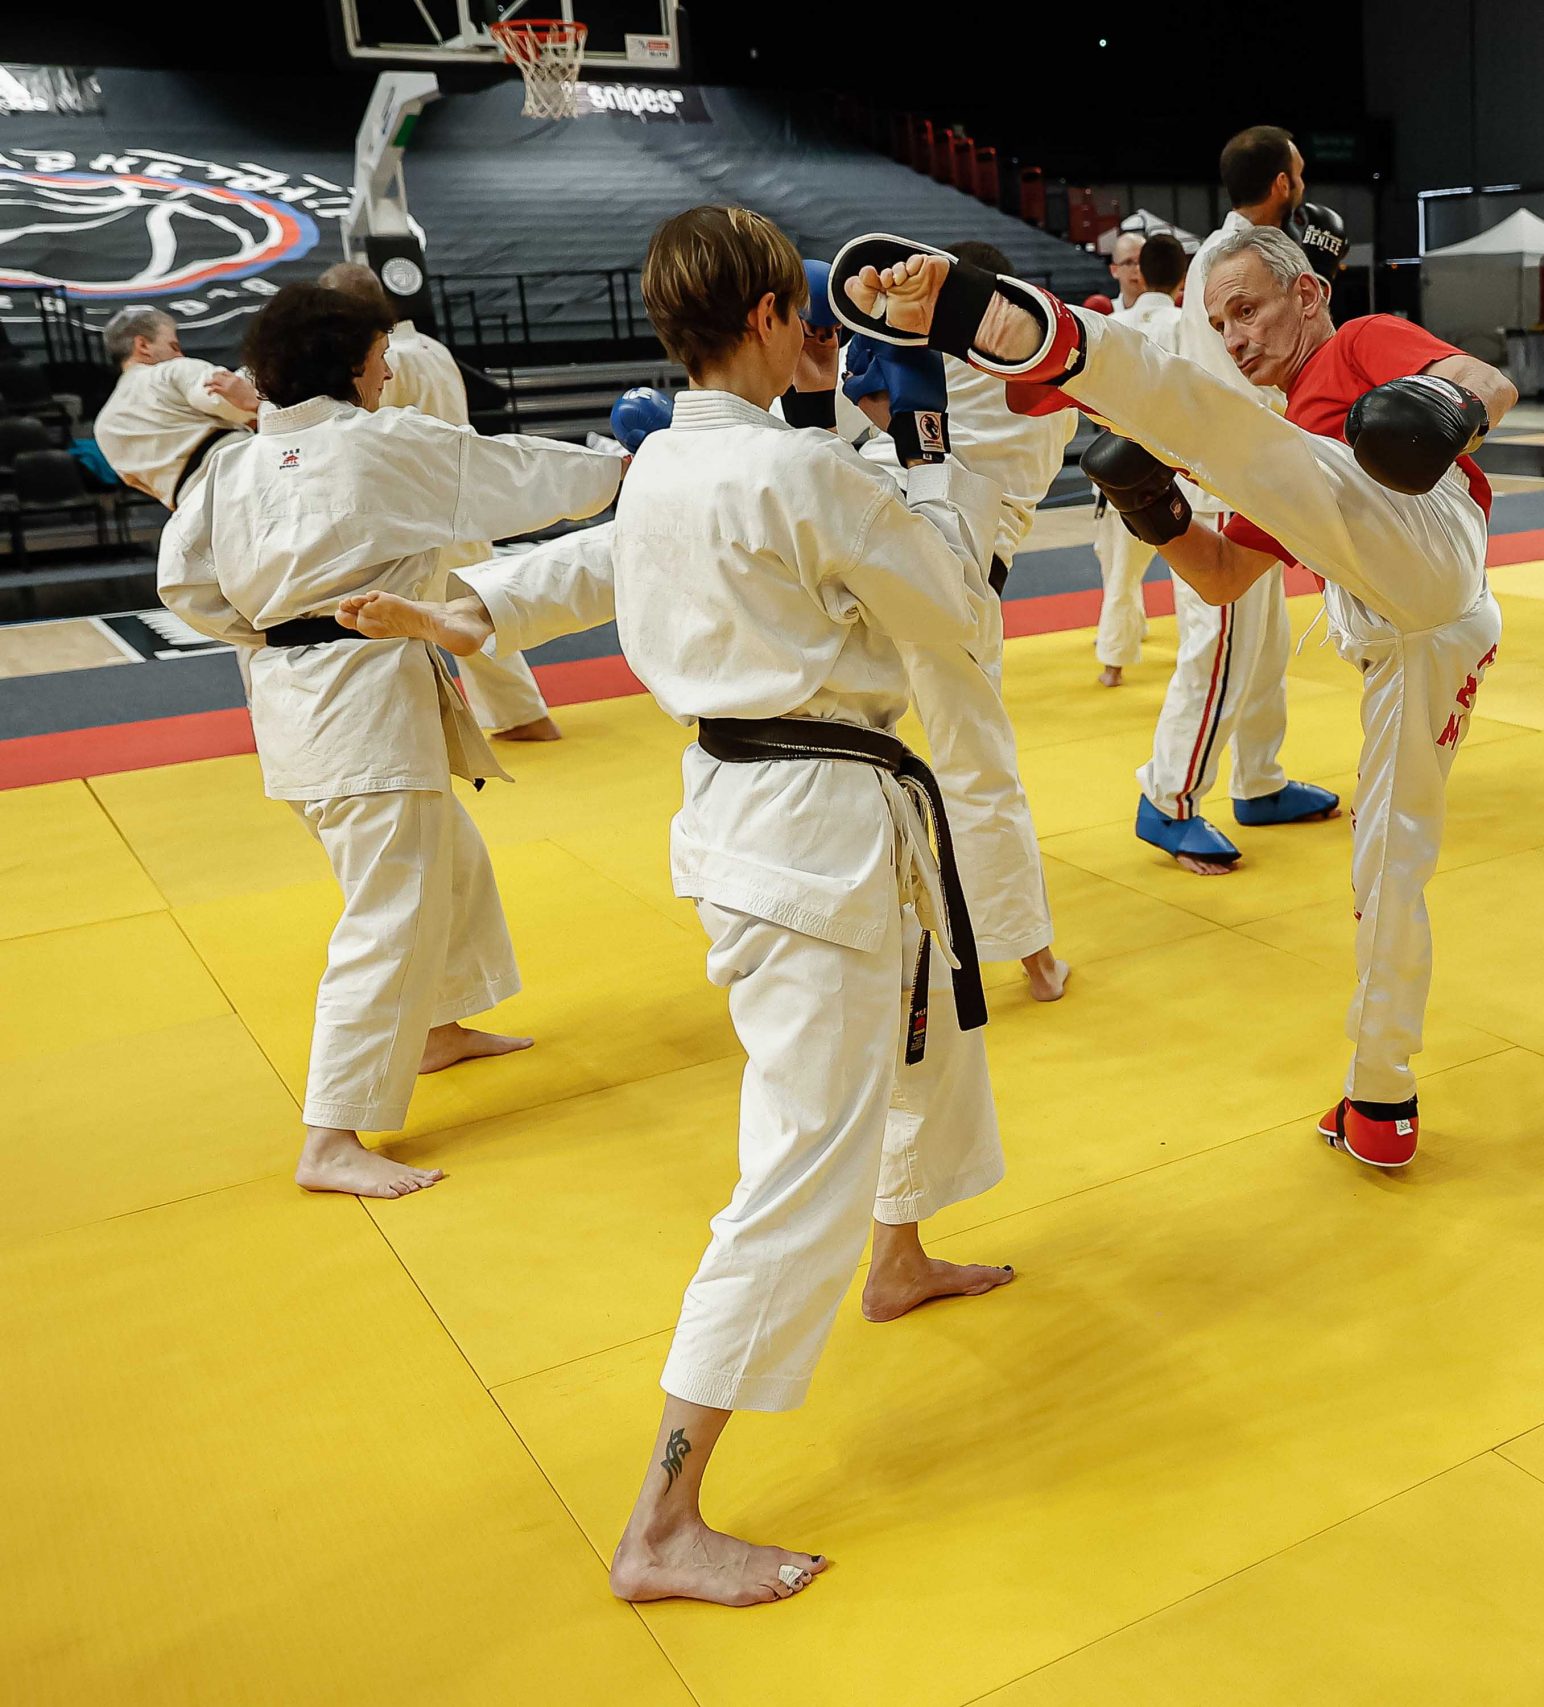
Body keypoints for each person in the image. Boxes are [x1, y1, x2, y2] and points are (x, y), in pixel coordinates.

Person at [343, 205, 1017, 1605]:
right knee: (799, 1159)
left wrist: (468, 609)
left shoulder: (676, 459)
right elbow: (958, 607)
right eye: (803, 315)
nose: (817, 335)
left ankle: (897, 1256)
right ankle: (662, 1521)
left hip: (766, 816)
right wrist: (921, 444)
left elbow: (606, 562)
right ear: (769, 315)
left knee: (924, 1048)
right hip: (815, 832)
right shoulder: (802, 470)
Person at [831, 218, 1514, 1169]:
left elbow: (1491, 381)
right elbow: (1224, 577)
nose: (1234, 337)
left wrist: (1446, 406)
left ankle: (1054, 339)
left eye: (1248, 310)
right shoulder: (1287, 456)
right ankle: (1381, 1096)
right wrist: (1158, 512)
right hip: (1415, 640)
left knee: (1227, 428)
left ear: (1309, 294)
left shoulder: (1359, 344)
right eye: (1219, 322)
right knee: (1388, 871)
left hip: (1432, 542)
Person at [154, 284, 624, 1199]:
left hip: (291, 699)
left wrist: (274, 628)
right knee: (389, 913)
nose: (388, 373)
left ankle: (437, 1027)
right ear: (348, 367)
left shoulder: (231, 467)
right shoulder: (381, 444)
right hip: (363, 705)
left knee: (447, 857)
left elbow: (184, 585)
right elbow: (516, 474)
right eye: (378, 359)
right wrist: (626, 469)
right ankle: (330, 1136)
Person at [848, 239, 1081, 1003]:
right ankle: (1034, 959)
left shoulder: (919, 352)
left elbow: (862, 401)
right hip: (960, 573)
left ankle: (861, 941)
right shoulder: (1051, 376)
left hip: (866, 542)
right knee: (976, 765)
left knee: (849, 748)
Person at [1132, 123, 1340, 875]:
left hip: (1262, 473)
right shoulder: (1229, 263)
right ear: (1283, 182)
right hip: (1227, 480)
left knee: (1265, 645)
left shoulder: (1254, 254)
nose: (1304, 184)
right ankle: (1168, 799)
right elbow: (1241, 376)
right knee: (1219, 646)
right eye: (1300, 172)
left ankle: (1259, 778)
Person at [317, 261, 563, 741]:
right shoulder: (431, 347)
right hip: (456, 498)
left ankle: (508, 719)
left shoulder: (384, 360)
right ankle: (519, 716)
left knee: (422, 615)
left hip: (415, 508)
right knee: (469, 608)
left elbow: (364, 434)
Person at [1094, 232, 1189, 684]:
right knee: (1189, 570)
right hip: (1181, 458)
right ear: (1182, 279)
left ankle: (1113, 664)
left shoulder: (1113, 325)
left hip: (1124, 458)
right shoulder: (1187, 325)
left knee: (1122, 572)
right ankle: (1194, 654)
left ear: (1142, 274)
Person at [91, 305, 258, 510]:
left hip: (191, 511)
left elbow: (138, 484)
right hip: (243, 475)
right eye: (174, 346)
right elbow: (232, 400)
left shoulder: (104, 426)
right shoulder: (169, 372)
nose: (180, 354)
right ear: (143, 345)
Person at [1105, 229, 1147, 311]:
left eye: (1143, 261)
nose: (1138, 268)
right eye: (1129, 263)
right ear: (1114, 270)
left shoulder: (1168, 311)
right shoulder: (1106, 314)